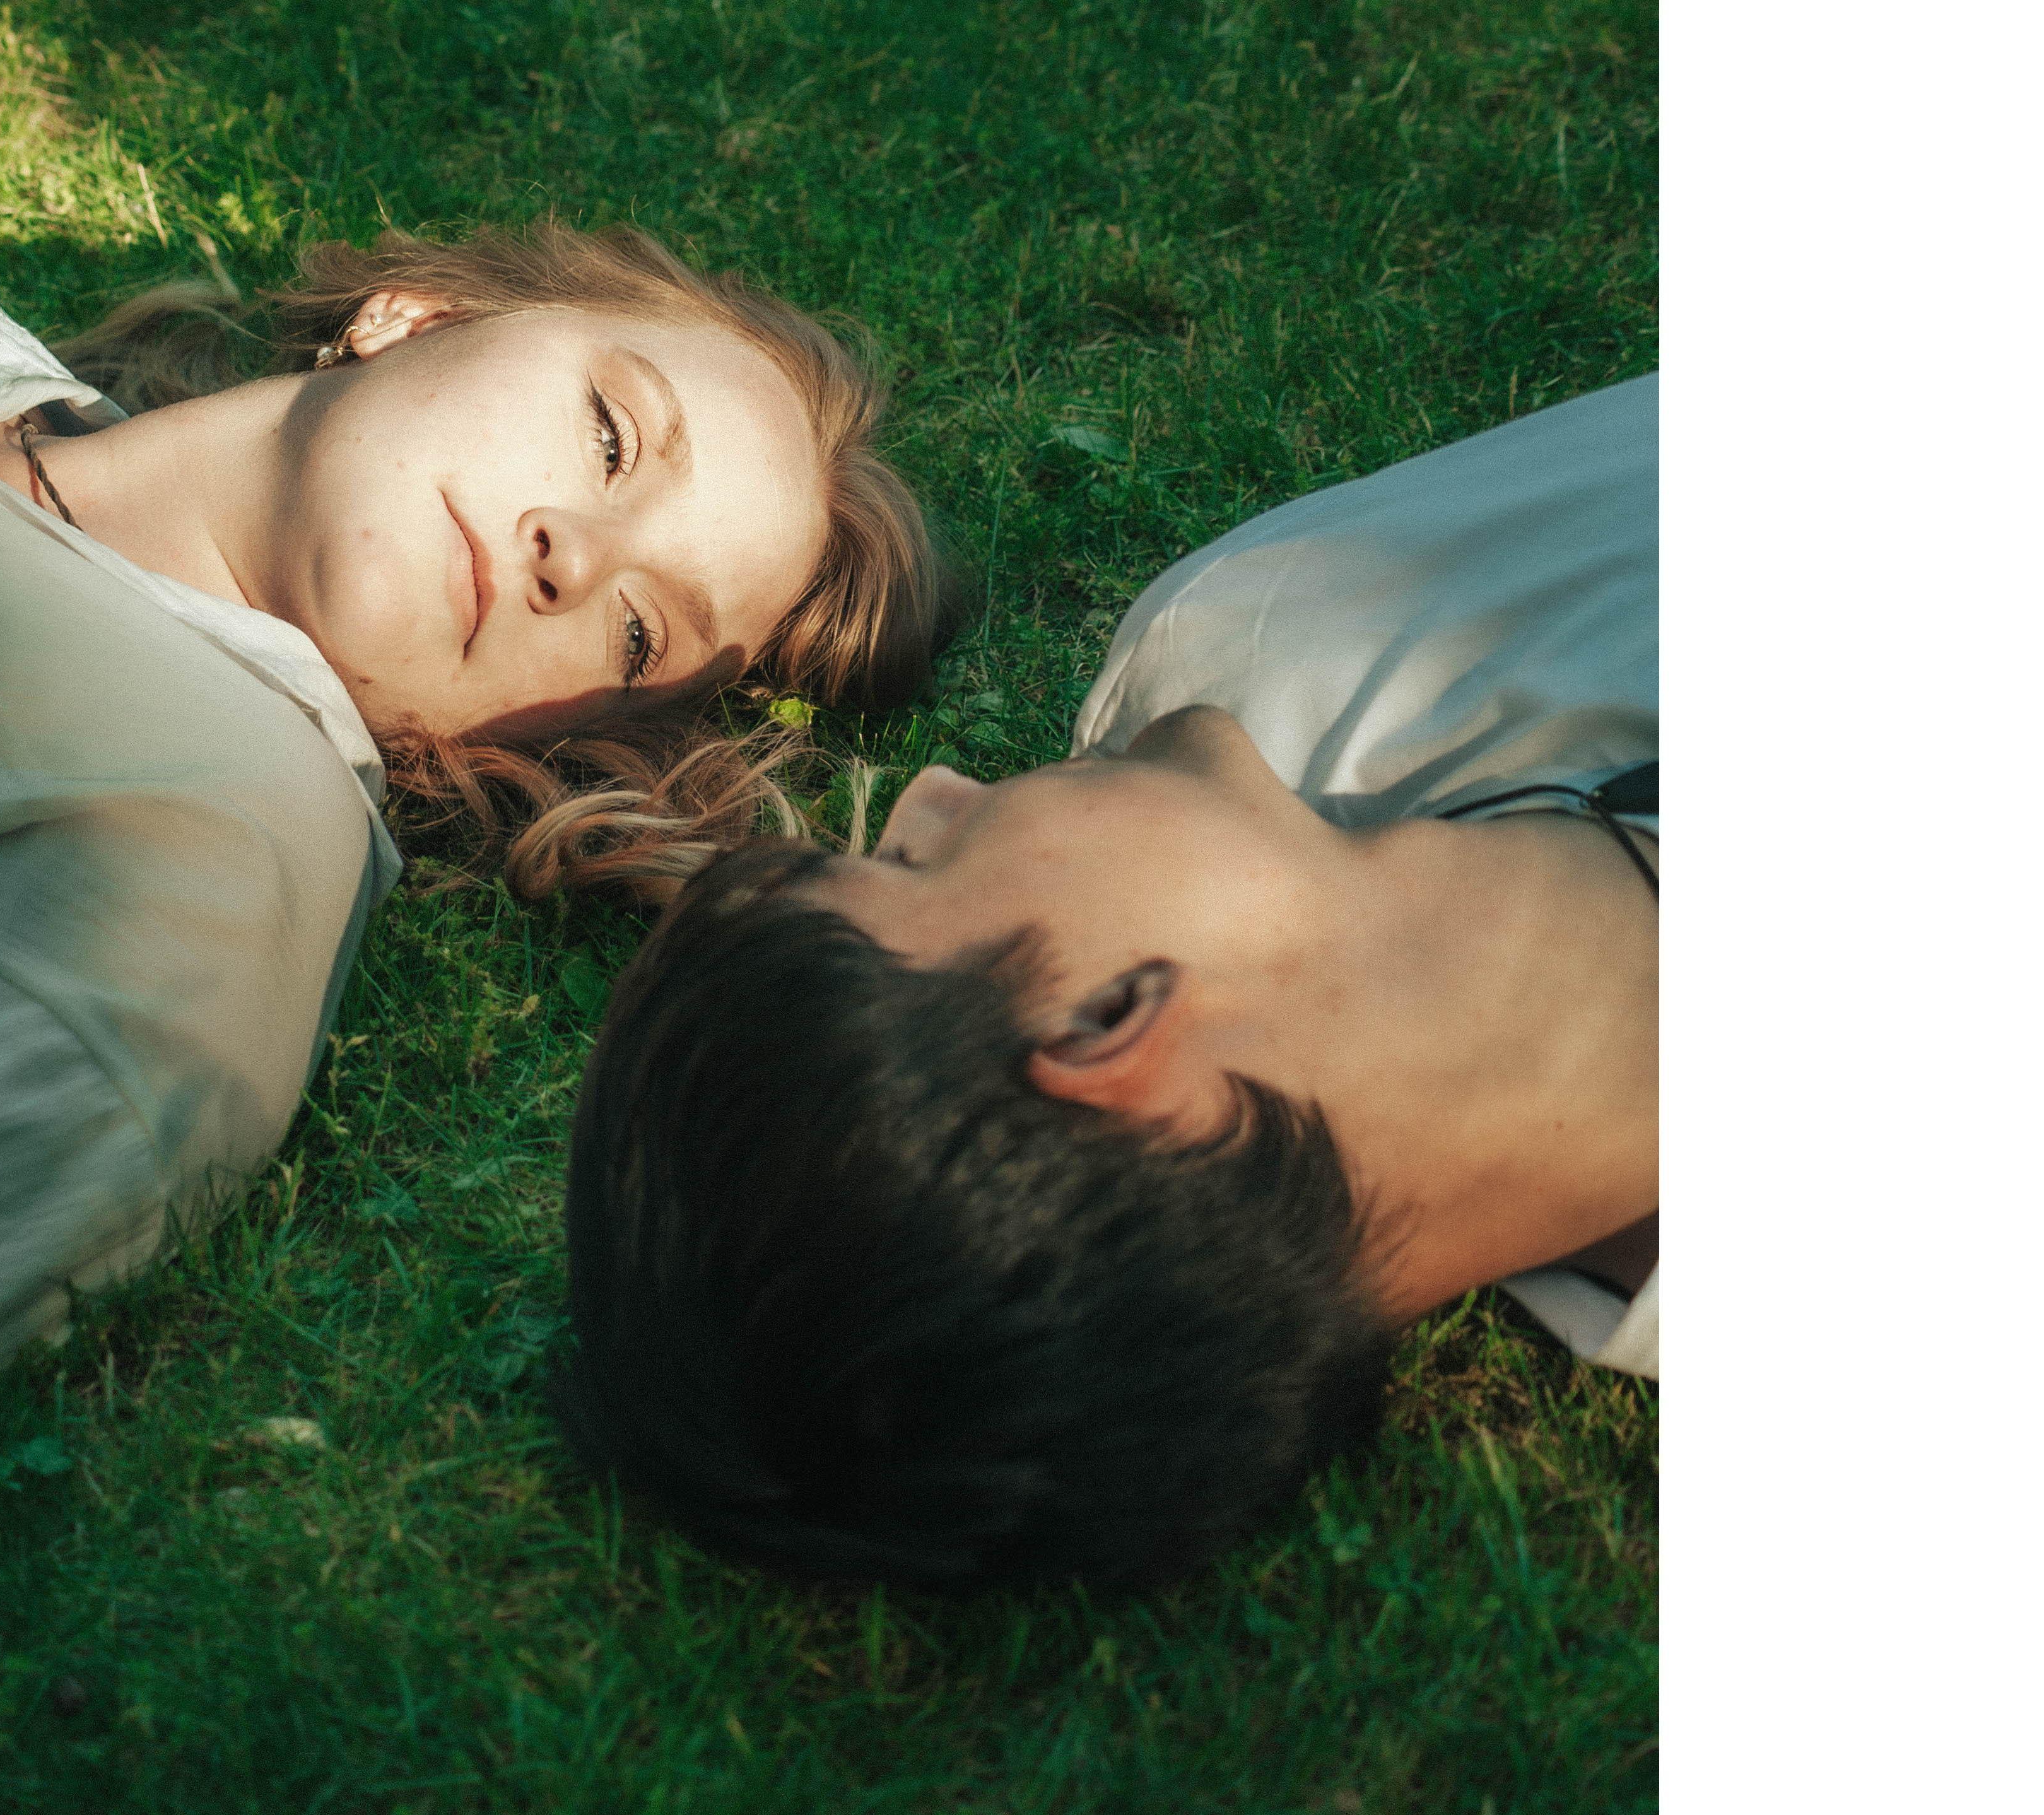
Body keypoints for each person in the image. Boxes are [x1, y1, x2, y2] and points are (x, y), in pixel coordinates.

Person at [558, 375, 1656, 1594]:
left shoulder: (1271, 647)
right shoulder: (1302, 647)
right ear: (1105, 1022)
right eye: (912, 862)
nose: (934, 789)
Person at [0, 220, 952, 1412]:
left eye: (639, 635)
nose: (575, 558)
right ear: (418, 315)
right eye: (612, 437)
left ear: (566, 730)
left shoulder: (201, 872)